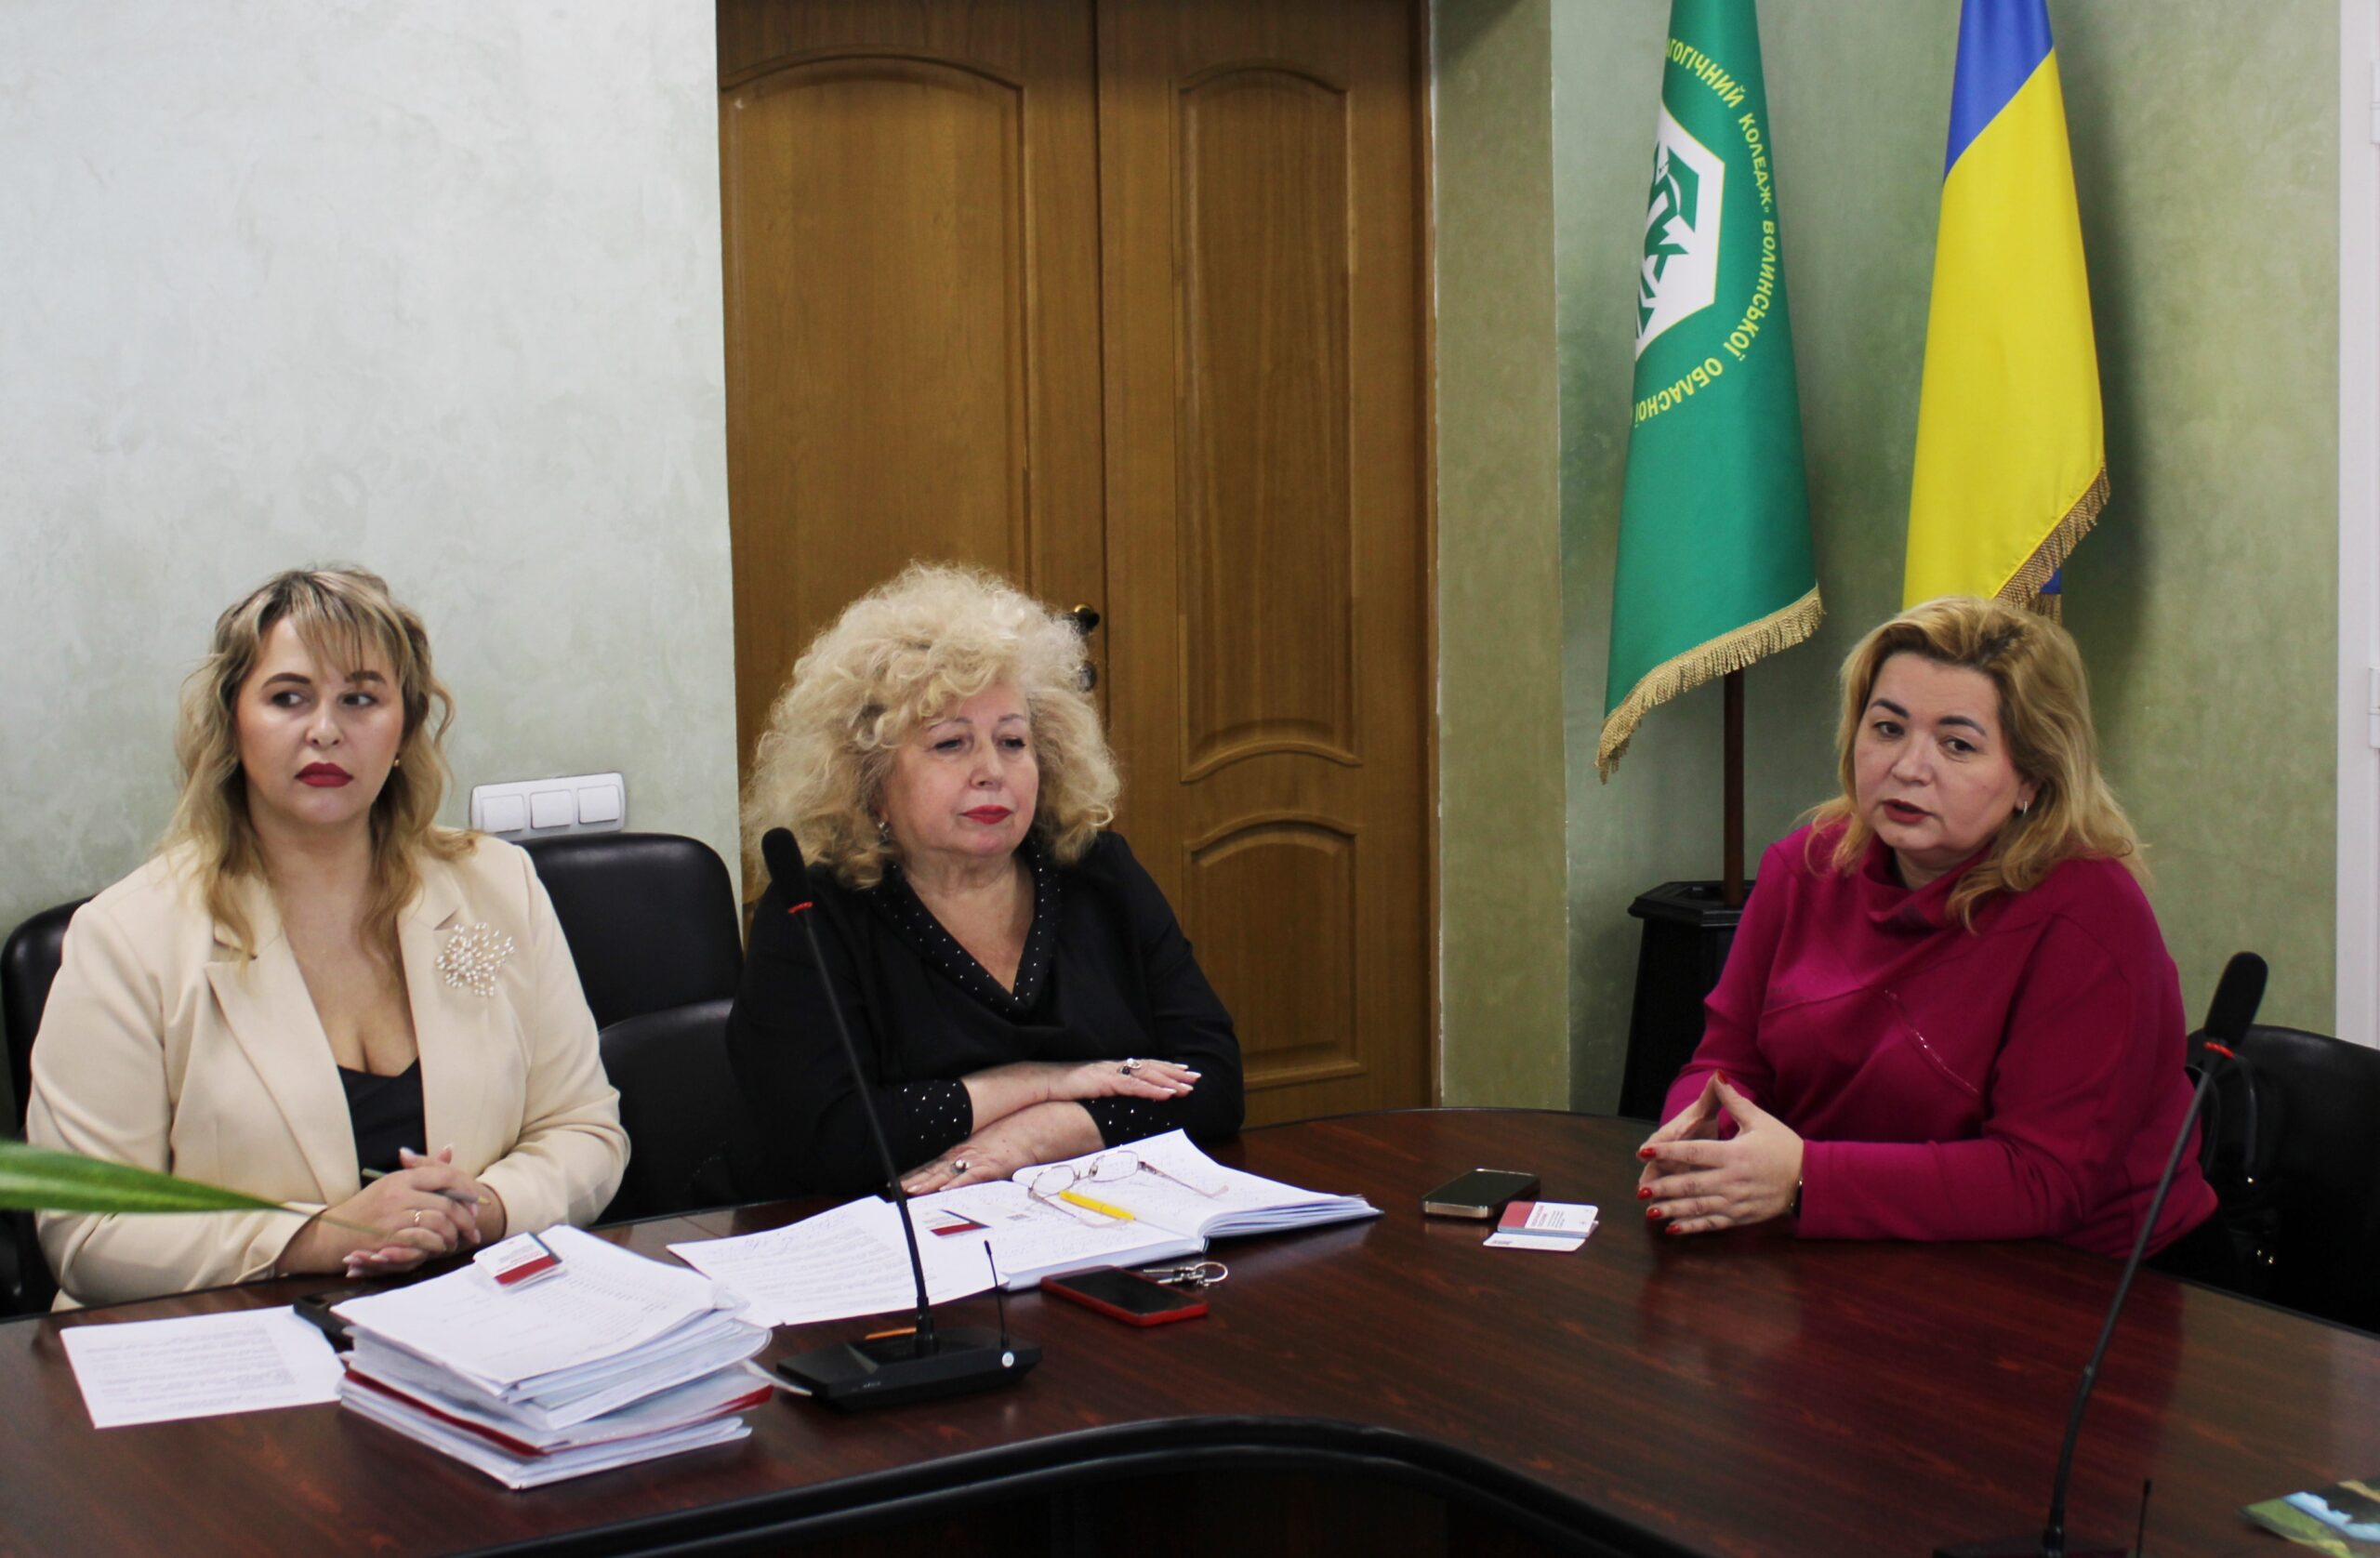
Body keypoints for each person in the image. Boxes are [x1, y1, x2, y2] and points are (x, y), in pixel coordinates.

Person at [27, 567, 627, 1307]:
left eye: (360, 698)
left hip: (471, 1319)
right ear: (232, 723)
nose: (325, 730)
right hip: (231, 1343)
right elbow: (90, 1231)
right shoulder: (126, 938)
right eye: (288, 698)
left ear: (404, 728)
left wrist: (483, 1208)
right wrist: (318, 1236)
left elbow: (584, 1130)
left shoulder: (498, 886)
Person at [1636, 596, 2225, 1267]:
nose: (1909, 767)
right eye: (1888, 729)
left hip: (2081, 1276)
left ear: (2032, 778)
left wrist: (1805, 1178)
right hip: (1853, 1247)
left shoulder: (2090, 913)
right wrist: (1698, 1143)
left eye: (1957, 744)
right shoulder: (1803, 867)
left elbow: (2045, 1179)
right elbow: (1728, 1066)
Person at [728, 563, 1244, 1197]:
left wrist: (1044, 1133)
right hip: (887, 1238)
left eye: (1012, 741)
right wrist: (1039, 1082)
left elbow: (1214, 1084)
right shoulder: (816, 912)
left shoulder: (1099, 873)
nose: (991, 771)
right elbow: (829, 1142)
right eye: (951, 744)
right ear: (870, 781)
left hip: (1088, 1221)